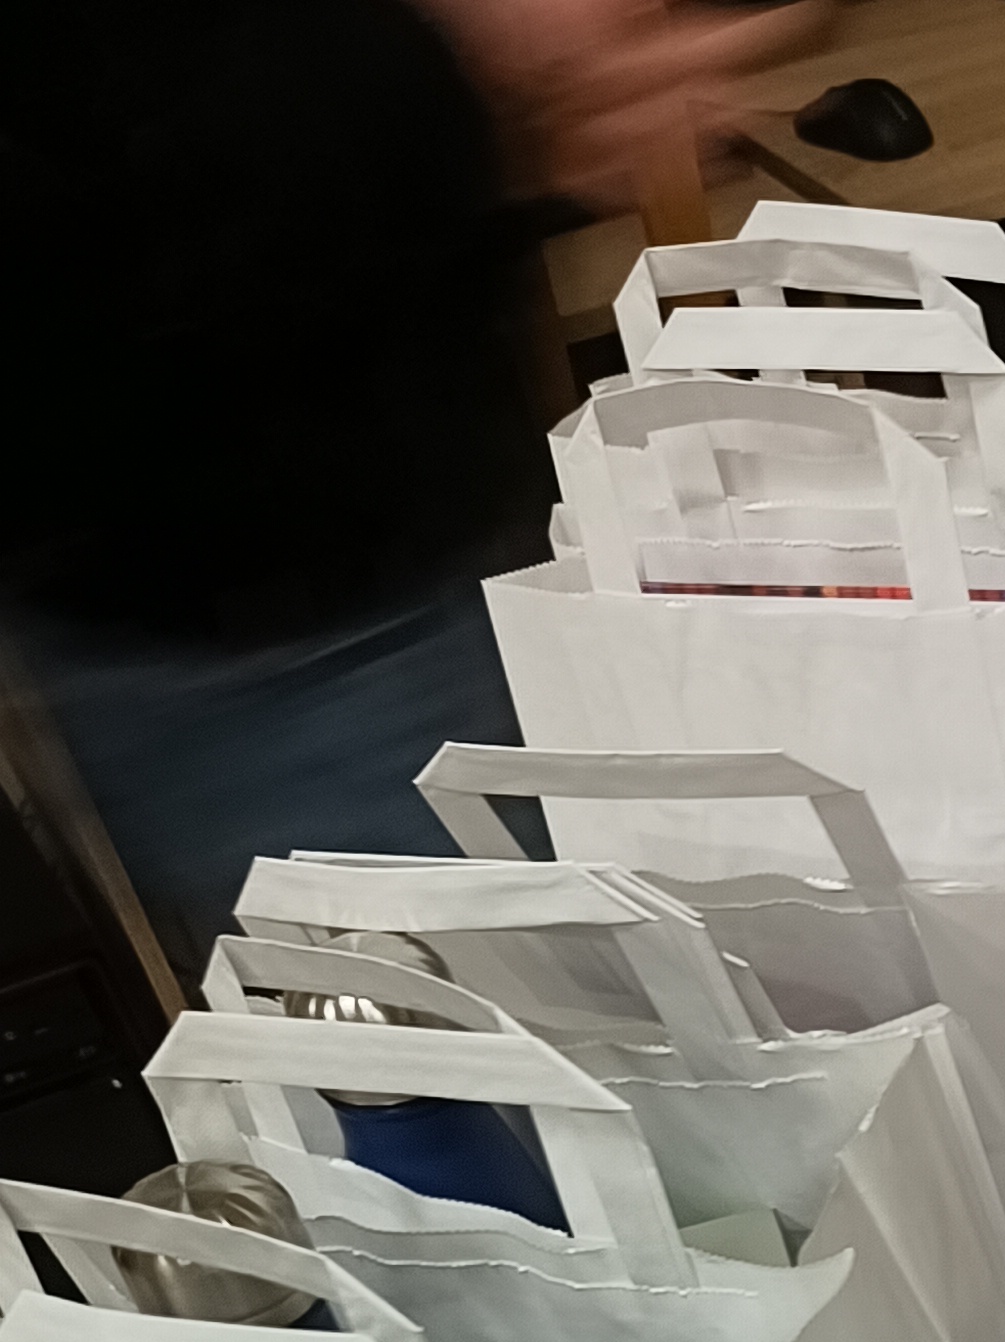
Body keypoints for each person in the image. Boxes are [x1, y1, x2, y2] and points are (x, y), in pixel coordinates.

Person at [0, 0, 822, 970]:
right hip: (265, 627)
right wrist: (450, 72)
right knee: (525, 1013)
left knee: (645, 973)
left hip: (411, 521)